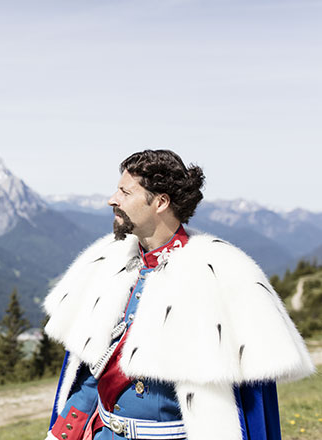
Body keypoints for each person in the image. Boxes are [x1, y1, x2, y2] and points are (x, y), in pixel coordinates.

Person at [43, 150, 314, 440]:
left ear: (160, 202)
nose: (112, 199)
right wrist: (61, 433)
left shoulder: (222, 275)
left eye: (125, 192)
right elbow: (88, 374)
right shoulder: (107, 265)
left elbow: (248, 402)